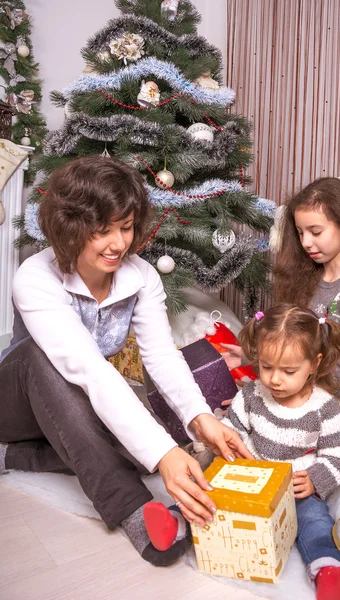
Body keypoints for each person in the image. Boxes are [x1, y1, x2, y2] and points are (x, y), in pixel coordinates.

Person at [0, 155, 252, 567]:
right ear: (70, 228)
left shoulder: (141, 277)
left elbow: (161, 357)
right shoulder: (35, 276)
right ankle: (136, 511)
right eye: (102, 231)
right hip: (16, 401)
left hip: (72, 408)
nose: (118, 243)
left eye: (126, 227)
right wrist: (165, 456)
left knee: (150, 444)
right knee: (40, 358)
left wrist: (200, 418)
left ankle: (11, 457)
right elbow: (91, 372)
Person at [141, 305, 340, 599]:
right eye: (266, 367)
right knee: (206, 497)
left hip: (294, 486)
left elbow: (339, 455)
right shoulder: (251, 394)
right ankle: (172, 524)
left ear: (314, 364)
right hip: (249, 477)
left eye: (289, 371)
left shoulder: (323, 407)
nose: (275, 380)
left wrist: (315, 478)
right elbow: (233, 428)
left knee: (315, 522)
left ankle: (328, 572)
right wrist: (233, 454)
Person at [223, 177, 340, 427]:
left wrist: (273, 398)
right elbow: (290, 346)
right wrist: (251, 358)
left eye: (316, 232)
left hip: (328, 417)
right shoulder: (306, 278)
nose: (306, 242)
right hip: (291, 401)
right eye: (300, 233)